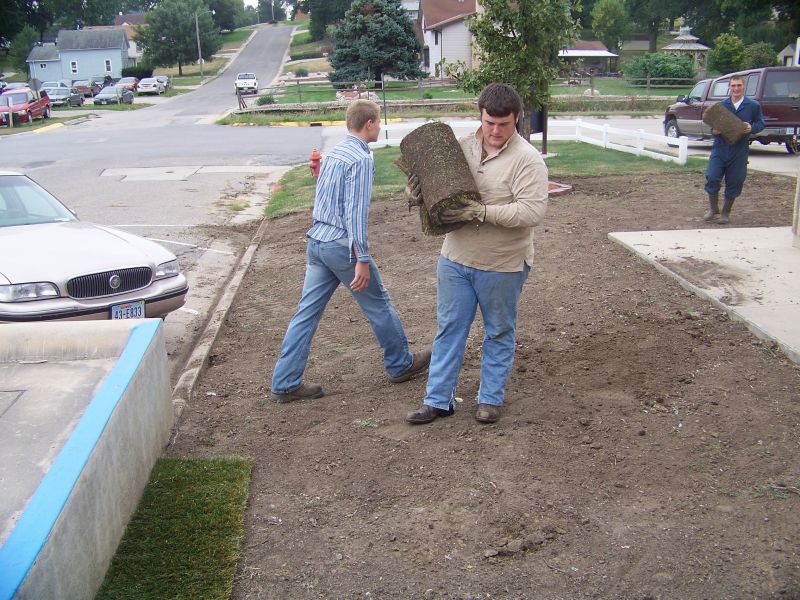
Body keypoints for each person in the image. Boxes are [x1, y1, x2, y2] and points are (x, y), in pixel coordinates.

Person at [405, 83, 548, 425]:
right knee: (449, 329)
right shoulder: (461, 149)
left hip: (502, 265)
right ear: (480, 117)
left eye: (504, 125)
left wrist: (480, 212)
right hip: (455, 259)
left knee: (498, 331)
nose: (495, 131)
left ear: (517, 120)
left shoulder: (528, 160)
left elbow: (531, 212)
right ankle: (438, 400)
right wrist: (415, 192)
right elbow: (436, 191)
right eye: (489, 123)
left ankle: (490, 398)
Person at [270, 99, 430, 402]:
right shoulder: (360, 159)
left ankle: (285, 382)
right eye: (378, 122)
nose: (379, 127)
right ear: (368, 124)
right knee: (378, 303)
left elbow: (323, 198)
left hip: (317, 242)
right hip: (341, 246)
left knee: (306, 314)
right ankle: (400, 364)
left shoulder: (334, 154)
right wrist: (361, 259)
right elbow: (355, 214)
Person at [704, 75, 765, 224]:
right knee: (712, 176)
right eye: (733, 86)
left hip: (739, 149)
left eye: (739, 85)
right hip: (720, 148)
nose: (736, 88)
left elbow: (761, 123)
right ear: (729, 87)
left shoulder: (753, 105)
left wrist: (752, 128)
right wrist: (715, 131)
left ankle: (725, 212)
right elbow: (712, 126)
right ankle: (713, 209)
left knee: (735, 180)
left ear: (743, 87)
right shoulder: (722, 105)